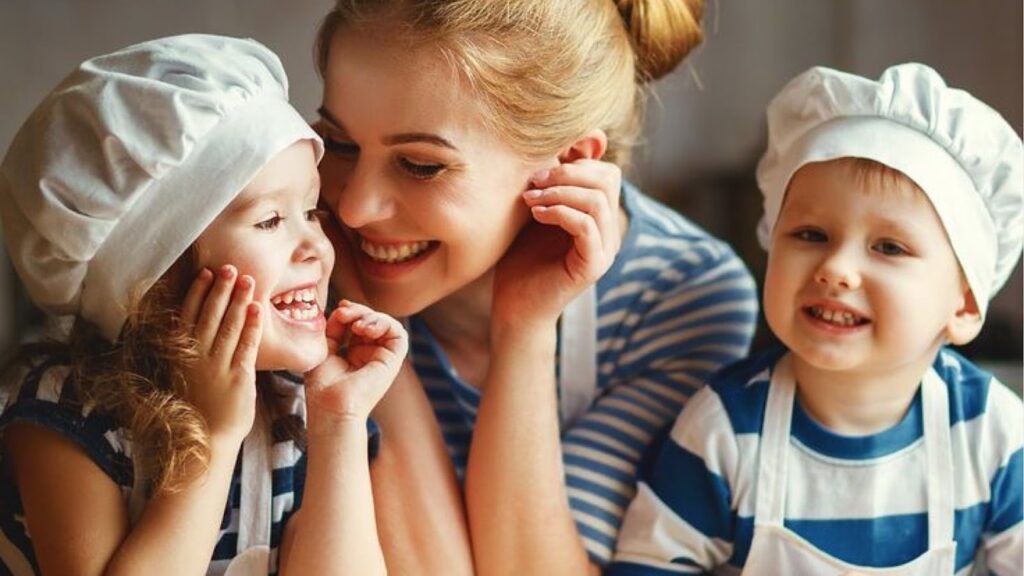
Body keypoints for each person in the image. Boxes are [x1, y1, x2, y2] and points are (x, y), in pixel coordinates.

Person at [311, 1, 760, 573]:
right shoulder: (292, 247)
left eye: (421, 165)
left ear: (568, 161)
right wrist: (361, 315)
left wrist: (524, 328)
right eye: (341, 143)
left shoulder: (679, 295)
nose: (353, 209)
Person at [0, 34, 406, 575]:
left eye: (311, 212)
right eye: (269, 221)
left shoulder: (298, 412)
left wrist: (340, 420)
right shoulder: (66, 413)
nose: (315, 247)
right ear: (156, 276)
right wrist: (213, 437)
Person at [609, 63, 1024, 575]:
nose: (836, 269)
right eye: (810, 235)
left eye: (889, 247)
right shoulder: (726, 429)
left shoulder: (991, 434)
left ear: (963, 306)